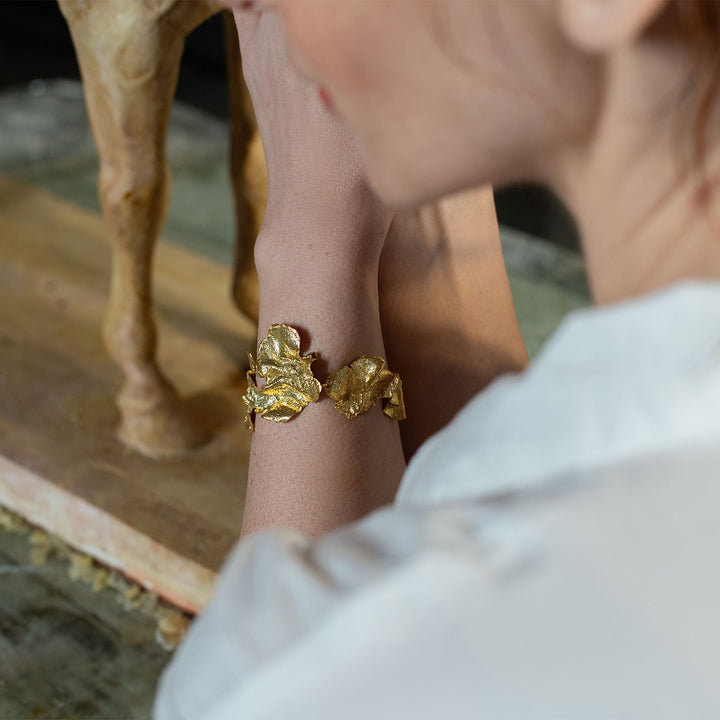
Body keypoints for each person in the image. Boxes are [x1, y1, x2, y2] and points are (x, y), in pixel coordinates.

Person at [155, 1, 720, 717]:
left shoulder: (281, 671)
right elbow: (502, 495)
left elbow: (302, 663)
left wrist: (306, 249)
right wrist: (424, 190)